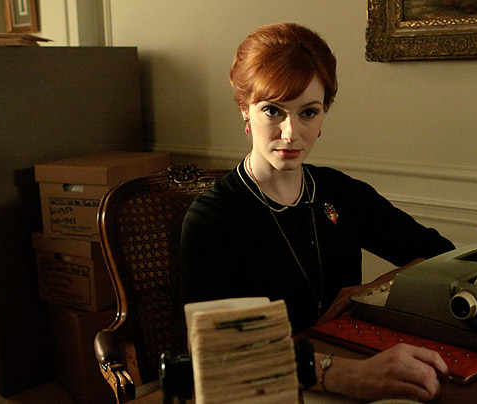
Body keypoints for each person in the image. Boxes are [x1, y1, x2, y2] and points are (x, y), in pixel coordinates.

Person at [180, 22, 455, 402]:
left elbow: (443, 256)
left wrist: (370, 291)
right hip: (266, 391)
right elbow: (218, 355)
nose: (290, 133)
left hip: (350, 368)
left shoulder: (339, 191)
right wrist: (343, 374)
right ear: (245, 109)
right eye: (273, 110)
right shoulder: (213, 218)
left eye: (308, 113)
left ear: (324, 113)